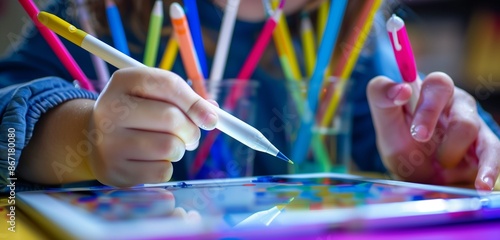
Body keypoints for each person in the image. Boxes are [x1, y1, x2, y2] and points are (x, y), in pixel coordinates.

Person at [1, 0, 499, 192]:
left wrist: (445, 155)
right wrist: (82, 134)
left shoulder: (349, 45)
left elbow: (413, 148)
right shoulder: (95, 14)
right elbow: (9, 113)